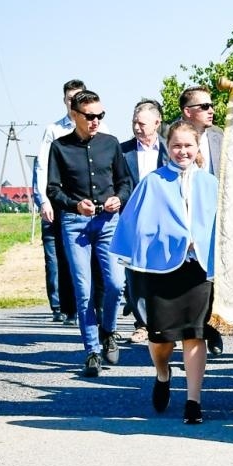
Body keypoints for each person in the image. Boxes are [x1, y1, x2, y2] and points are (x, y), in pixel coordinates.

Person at [109, 120, 218, 425]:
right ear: (167, 148)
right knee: (161, 339)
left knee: (195, 335)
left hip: (198, 270)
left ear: (197, 148)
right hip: (161, 270)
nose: (182, 151)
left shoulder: (211, 184)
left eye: (188, 145)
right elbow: (137, 225)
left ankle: (193, 401)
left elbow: (221, 225)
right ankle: (162, 372)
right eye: (176, 146)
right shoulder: (153, 182)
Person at [46, 89, 133, 376]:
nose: (96, 120)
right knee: (84, 290)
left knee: (116, 284)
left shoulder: (110, 144)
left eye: (100, 115)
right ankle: (92, 350)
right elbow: (53, 190)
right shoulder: (60, 147)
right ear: (75, 115)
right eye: (90, 116)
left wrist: (118, 198)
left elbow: (125, 182)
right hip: (76, 224)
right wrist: (74, 204)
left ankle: (109, 330)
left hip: (109, 222)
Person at [179, 85, 226, 358]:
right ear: (188, 112)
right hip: (188, 215)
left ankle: (213, 326)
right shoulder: (174, 139)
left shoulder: (219, 136)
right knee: (195, 276)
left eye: (211, 105)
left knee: (215, 274)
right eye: (204, 106)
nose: (211, 110)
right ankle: (195, 326)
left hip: (216, 214)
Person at [34, 79, 85, 323]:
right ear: (65, 101)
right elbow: (42, 166)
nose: (74, 103)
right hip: (57, 200)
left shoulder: (100, 127)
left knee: (80, 255)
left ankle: (82, 303)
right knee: (55, 256)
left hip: (83, 203)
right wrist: (43, 200)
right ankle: (60, 306)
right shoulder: (54, 130)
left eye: (79, 98)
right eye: (70, 99)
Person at [121, 100, 170, 345]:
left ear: (157, 123)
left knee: (164, 272)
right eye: (134, 123)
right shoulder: (122, 151)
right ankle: (142, 324)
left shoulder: (170, 149)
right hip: (135, 220)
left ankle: (164, 322)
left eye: (142, 123)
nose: (137, 128)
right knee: (136, 273)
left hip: (166, 219)